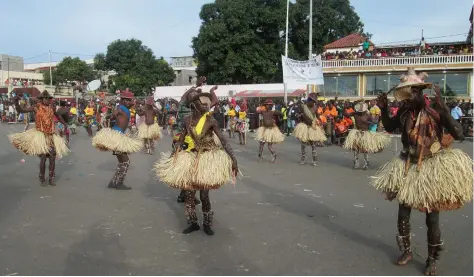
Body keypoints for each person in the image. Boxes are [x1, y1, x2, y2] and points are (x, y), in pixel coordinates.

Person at [372, 68, 473, 276]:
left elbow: (459, 133)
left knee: (432, 219)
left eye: (413, 93)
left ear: (421, 92)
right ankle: (407, 251)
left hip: (430, 168)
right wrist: (383, 109)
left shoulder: (435, 109)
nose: (409, 97)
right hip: (408, 166)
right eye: (407, 93)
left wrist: (445, 111)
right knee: (402, 214)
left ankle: (432, 259)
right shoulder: (405, 111)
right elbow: (390, 127)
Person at [155, 90, 238, 236]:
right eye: (202, 102)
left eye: (207, 102)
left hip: (206, 159)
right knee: (189, 195)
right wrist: (174, 155)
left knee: (204, 195)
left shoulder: (211, 121)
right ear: (194, 105)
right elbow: (181, 139)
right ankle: (193, 223)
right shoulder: (187, 120)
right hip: (189, 158)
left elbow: (223, 141)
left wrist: (233, 159)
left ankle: (207, 224)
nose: (206, 104)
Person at [8, 91, 69, 186]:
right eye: (46, 98)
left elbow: (58, 116)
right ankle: (42, 178)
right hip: (40, 136)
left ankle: (51, 178)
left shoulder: (52, 108)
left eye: (49, 98)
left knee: (52, 157)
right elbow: (21, 110)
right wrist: (16, 103)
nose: (49, 100)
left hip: (51, 135)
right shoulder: (36, 107)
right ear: (41, 99)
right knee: (43, 158)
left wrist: (65, 124)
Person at [92, 89, 143, 190]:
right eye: (127, 100)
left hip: (119, 136)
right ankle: (119, 183)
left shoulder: (124, 108)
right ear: (123, 100)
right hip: (117, 137)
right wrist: (112, 116)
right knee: (126, 162)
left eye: (130, 100)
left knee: (122, 162)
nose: (129, 102)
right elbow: (112, 116)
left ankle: (113, 182)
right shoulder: (121, 108)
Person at [343, 102, 391, 169]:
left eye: (362, 110)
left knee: (365, 149)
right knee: (356, 149)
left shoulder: (368, 115)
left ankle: (366, 163)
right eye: (360, 109)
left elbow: (375, 122)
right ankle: (356, 163)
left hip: (365, 133)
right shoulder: (355, 114)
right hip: (356, 133)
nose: (361, 111)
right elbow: (346, 115)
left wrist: (376, 116)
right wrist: (344, 107)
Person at [293, 93, 327, 166]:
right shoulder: (303, 107)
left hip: (312, 127)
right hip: (304, 127)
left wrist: (320, 122)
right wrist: (299, 116)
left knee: (313, 145)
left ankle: (314, 161)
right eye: (312, 101)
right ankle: (303, 159)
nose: (313, 103)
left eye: (314, 102)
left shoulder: (315, 108)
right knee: (303, 145)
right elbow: (298, 115)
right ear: (309, 100)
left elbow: (317, 116)